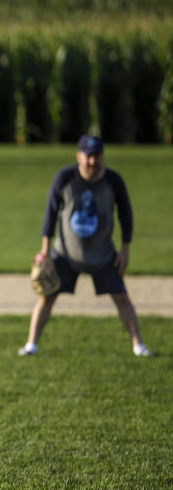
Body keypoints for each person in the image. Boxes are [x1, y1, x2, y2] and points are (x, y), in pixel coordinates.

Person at [18, 134, 153, 357]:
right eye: (89, 156)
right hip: (66, 253)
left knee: (122, 297)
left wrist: (125, 249)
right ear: (78, 156)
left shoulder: (113, 181)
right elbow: (50, 214)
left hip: (102, 254)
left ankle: (138, 345)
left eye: (97, 156)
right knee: (47, 295)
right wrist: (45, 250)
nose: (93, 161)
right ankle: (32, 344)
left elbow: (126, 215)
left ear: (102, 157)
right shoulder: (65, 178)